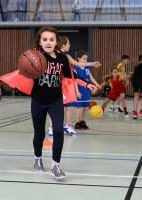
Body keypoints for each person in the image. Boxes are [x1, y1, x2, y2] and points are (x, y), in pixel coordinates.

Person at [31, 26, 97, 179]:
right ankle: (38, 158)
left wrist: (86, 84)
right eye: (45, 39)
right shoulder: (34, 57)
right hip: (38, 100)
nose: (48, 42)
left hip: (55, 99)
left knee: (59, 131)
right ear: (40, 42)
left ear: (56, 42)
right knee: (39, 133)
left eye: (51, 39)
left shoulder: (62, 58)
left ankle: (56, 165)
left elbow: (71, 75)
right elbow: (25, 71)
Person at [48, 36, 101, 137]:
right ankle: (51, 128)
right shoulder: (53, 55)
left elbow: (77, 63)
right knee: (54, 107)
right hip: (56, 85)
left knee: (69, 106)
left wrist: (92, 63)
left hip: (66, 85)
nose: (70, 45)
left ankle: (67, 126)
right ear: (63, 45)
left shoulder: (66, 56)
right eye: (68, 44)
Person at [73, 51, 101, 129]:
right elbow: (75, 80)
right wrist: (77, 91)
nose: (85, 60)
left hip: (86, 89)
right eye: (84, 59)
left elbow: (91, 77)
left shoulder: (87, 68)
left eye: (86, 59)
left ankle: (82, 121)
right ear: (78, 59)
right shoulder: (75, 68)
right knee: (79, 107)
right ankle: (77, 122)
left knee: (86, 107)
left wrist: (96, 84)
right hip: (80, 89)